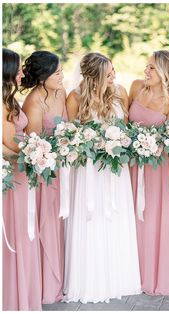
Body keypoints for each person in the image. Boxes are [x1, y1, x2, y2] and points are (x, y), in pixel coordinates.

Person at [63, 52, 141, 303]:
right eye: (108, 73)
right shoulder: (75, 97)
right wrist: (94, 143)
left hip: (115, 172)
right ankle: (91, 279)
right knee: (91, 218)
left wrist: (118, 141)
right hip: (89, 171)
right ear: (94, 76)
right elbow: (72, 136)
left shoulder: (119, 91)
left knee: (116, 217)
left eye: (114, 70)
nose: (114, 76)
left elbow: (126, 127)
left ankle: (119, 277)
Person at [129, 50, 169, 295]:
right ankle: (129, 273)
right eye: (146, 66)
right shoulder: (136, 87)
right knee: (130, 217)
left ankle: (151, 275)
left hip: (156, 171)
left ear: (163, 73)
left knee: (152, 220)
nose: (146, 71)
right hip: (129, 166)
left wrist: (152, 144)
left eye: (151, 68)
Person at [21, 51, 67, 303]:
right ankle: (47, 286)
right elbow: (36, 145)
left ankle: (60, 278)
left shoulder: (61, 91)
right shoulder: (34, 102)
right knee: (47, 223)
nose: (62, 76)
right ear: (43, 77)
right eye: (57, 73)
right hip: (44, 173)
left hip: (63, 169)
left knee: (60, 223)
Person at [2, 48, 42, 310]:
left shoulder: (10, 98)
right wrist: (36, 151)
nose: (21, 73)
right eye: (16, 68)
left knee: (22, 230)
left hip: (19, 170)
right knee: (17, 230)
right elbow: (7, 142)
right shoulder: (3, 102)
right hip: (14, 172)